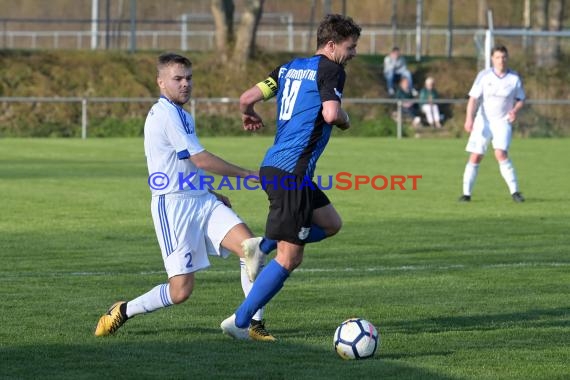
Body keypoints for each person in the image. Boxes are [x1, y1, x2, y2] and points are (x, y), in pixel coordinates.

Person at [94, 53, 276, 341]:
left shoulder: (183, 114)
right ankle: (124, 310)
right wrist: (249, 175)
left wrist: (210, 192)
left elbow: (186, 163)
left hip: (201, 199)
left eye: (189, 78)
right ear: (161, 82)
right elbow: (201, 159)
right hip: (174, 206)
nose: (185, 84)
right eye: (178, 79)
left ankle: (253, 323)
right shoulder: (165, 113)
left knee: (251, 248)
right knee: (180, 291)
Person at [220, 14, 361, 340]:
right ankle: (240, 322)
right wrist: (345, 119)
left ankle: (263, 244)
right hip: (291, 174)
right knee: (290, 257)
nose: (353, 53)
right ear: (331, 45)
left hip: (277, 168)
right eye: (350, 47)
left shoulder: (288, 68)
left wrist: (249, 113)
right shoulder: (332, 70)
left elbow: (246, 98)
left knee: (330, 223)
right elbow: (330, 113)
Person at [460, 45, 525, 203]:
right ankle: (466, 194)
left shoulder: (514, 78)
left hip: (502, 121)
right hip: (483, 121)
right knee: (476, 156)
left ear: (507, 58)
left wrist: (515, 110)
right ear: (492, 59)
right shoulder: (484, 76)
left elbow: (521, 99)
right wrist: (469, 118)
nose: (501, 60)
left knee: (500, 154)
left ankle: (515, 192)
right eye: (497, 57)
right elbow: (473, 99)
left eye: (503, 57)